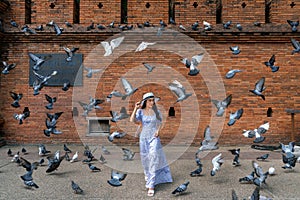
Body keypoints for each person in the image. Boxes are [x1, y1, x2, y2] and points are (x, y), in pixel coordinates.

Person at [130, 92, 173, 197]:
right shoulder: (140, 111)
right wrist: (135, 108)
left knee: (153, 157)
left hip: (154, 138)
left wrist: (158, 130)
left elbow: (159, 122)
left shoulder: (156, 112)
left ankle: (151, 185)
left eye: (153, 100)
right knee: (145, 159)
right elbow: (132, 120)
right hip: (144, 138)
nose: (152, 102)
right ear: (145, 101)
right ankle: (147, 174)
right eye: (149, 100)